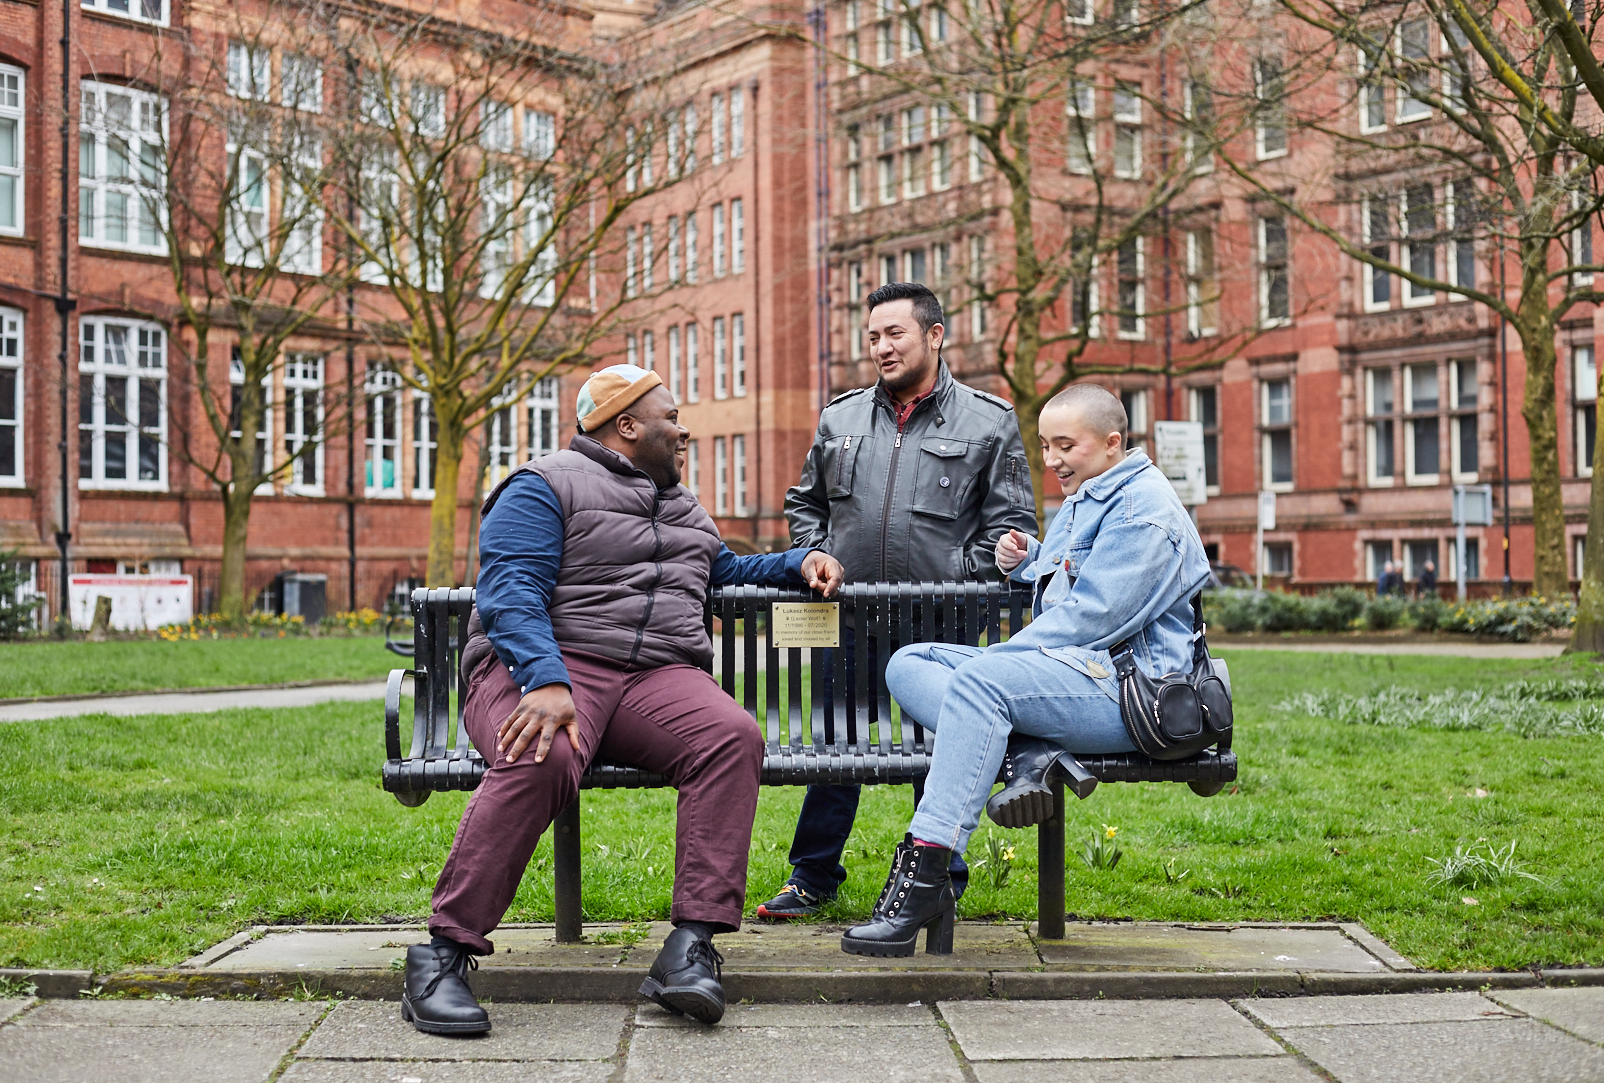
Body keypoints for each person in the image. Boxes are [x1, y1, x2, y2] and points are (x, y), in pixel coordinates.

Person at [401, 364, 845, 1033]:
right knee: (541, 752)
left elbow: (722, 571)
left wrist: (797, 560)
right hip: (543, 666)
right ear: (627, 425)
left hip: (654, 677)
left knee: (730, 735)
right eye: (671, 415)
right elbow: (511, 590)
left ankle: (690, 948)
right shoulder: (542, 483)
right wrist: (545, 680)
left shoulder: (683, 504)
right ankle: (441, 952)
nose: (683, 427)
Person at [839, 384, 1208, 957]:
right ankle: (1032, 755)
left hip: (1127, 692)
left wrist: (991, 665)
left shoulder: (1145, 512)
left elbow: (1092, 618)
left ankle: (927, 876)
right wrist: (1032, 558)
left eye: (1067, 445)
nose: (1053, 459)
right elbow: (1073, 576)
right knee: (910, 662)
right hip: (1074, 674)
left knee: (978, 683)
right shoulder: (1090, 495)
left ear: (1113, 443)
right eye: (1045, 446)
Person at [758, 281, 1037, 919]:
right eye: (873, 337)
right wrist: (813, 551)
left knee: (941, 750)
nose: (881, 348)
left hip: (943, 624)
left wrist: (955, 570)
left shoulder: (990, 423)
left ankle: (938, 876)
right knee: (834, 748)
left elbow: (1011, 528)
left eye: (895, 335)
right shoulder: (840, 417)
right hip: (848, 617)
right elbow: (807, 502)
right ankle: (812, 876)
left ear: (934, 336)